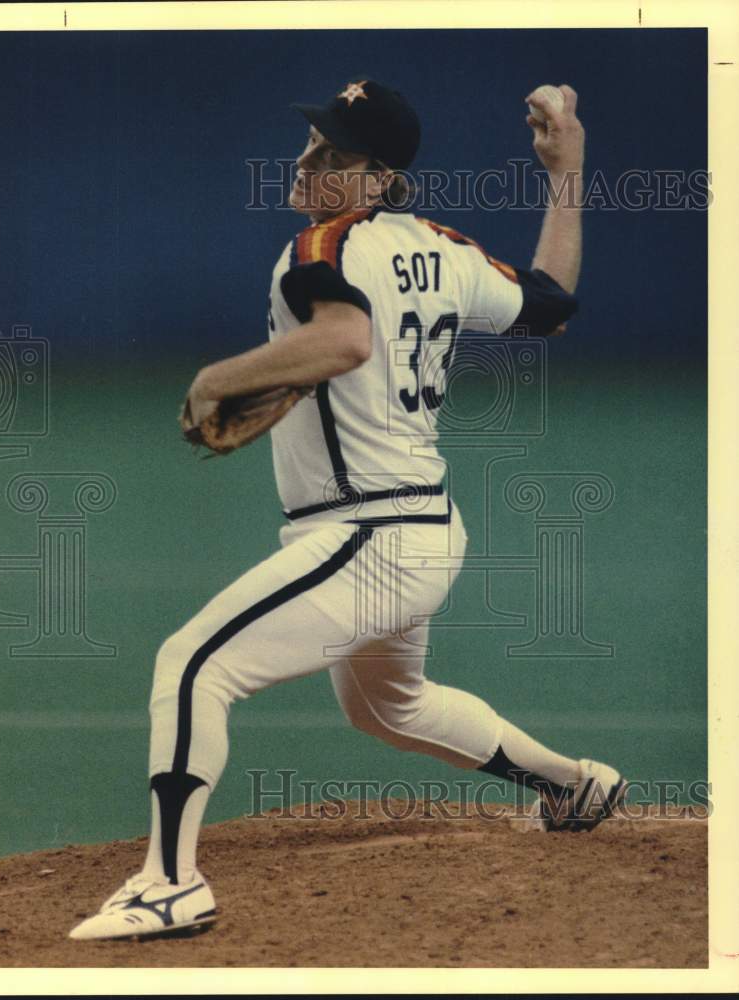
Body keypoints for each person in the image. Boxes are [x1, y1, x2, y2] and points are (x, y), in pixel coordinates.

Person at [69, 78, 627, 941]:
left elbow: (344, 339)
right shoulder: (443, 249)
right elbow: (551, 303)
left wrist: (216, 378)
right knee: (387, 709)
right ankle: (573, 785)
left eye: (331, 155)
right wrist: (567, 173)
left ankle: (171, 884)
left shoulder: (319, 245)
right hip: (418, 529)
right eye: (311, 145)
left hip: (370, 537)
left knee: (191, 666)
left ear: (377, 178)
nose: (306, 163)